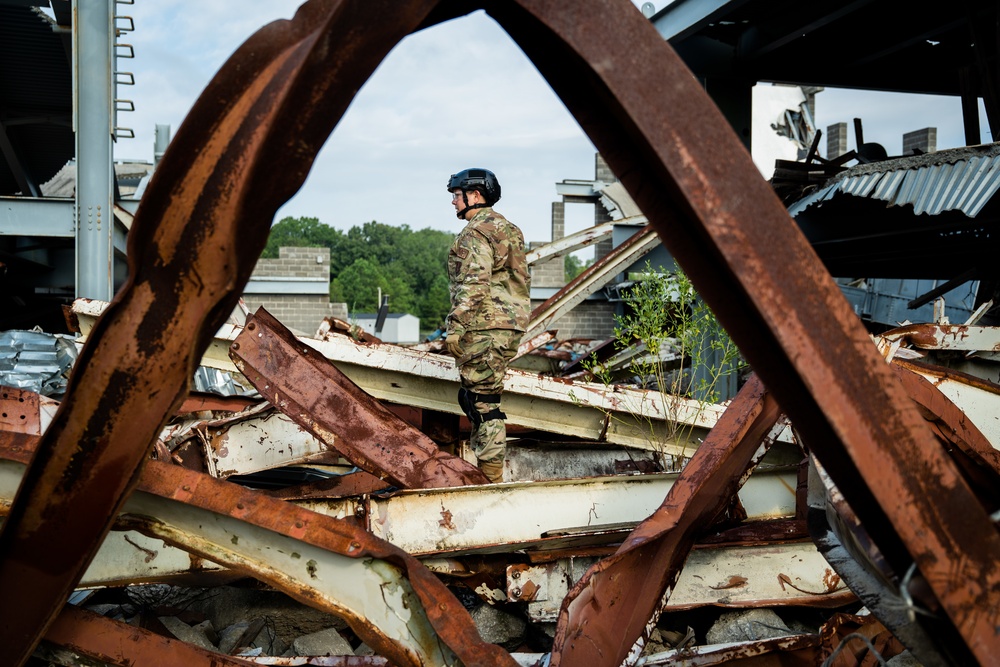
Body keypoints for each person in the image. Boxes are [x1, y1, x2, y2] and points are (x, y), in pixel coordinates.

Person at [445, 168, 530, 483]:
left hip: (484, 327)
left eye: (456, 195)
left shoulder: (475, 232)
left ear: (474, 196)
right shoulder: (510, 229)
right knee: (482, 399)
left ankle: (491, 480)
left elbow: (475, 282)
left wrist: (456, 325)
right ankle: (488, 473)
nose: (453, 202)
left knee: (484, 405)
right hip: (508, 326)